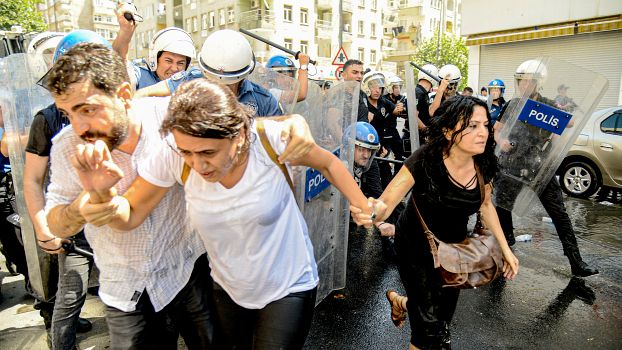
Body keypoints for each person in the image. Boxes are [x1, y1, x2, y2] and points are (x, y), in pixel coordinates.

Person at [67, 78, 372, 349]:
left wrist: (361, 206)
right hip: (228, 289)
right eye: (188, 153)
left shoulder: (270, 141)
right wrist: (101, 195)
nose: (198, 165)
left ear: (239, 135)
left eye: (208, 153)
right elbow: (130, 215)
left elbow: (329, 164)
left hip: (288, 285)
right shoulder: (174, 153)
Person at [351, 96, 519, 349]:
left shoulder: (483, 163)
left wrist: (506, 250)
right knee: (431, 332)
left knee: (440, 316)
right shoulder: (425, 159)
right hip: (415, 249)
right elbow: (387, 202)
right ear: (448, 131)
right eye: (472, 126)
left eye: (485, 125)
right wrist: (371, 212)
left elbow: (485, 205)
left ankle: (401, 303)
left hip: (453, 250)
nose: (482, 133)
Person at [24, 30, 109, 350]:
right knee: (70, 298)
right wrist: (44, 227)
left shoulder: (120, 109)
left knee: (126, 303)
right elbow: (32, 179)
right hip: (74, 227)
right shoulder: (46, 119)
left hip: (117, 223)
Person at [493, 59, 598, 277]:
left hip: (539, 166)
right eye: (520, 81)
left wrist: (569, 111)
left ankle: (576, 261)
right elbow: (497, 129)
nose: (523, 85)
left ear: (538, 83)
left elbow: (568, 122)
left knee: (559, 213)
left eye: (528, 82)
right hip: (512, 164)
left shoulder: (549, 104)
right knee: (501, 207)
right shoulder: (513, 104)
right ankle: (506, 247)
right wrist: (501, 141)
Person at [135, 29, 281, 118]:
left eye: (229, 83)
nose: (222, 88)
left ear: (243, 74)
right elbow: (142, 94)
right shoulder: (192, 79)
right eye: (214, 80)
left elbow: (279, 142)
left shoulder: (264, 101)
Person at [112, 2, 196, 90]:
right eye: (169, 61)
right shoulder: (140, 77)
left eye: (181, 63)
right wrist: (126, 31)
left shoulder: (190, 84)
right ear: (155, 60)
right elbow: (119, 62)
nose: (175, 68)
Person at [345, 122, 397, 257]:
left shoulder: (367, 164)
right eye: (361, 149)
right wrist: (379, 223)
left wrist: (381, 221)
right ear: (349, 147)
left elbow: (377, 194)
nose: (366, 155)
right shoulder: (340, 166)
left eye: (369, 150)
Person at [363, 70, 396, 188]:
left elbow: (395, 110)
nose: (377, 90)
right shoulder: (363, 103)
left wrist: (400, 108)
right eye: (374, 87)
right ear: (367, 87)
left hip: (381, 148)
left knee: (387, 176)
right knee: (371, 182)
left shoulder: (383, 101)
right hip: (366, 149)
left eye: (380, 88)